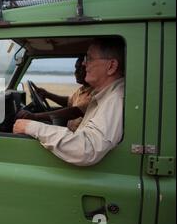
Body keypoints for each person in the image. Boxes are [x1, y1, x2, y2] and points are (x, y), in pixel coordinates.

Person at [13, 37, 125, 166]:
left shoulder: (115, 99)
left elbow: (87, 149)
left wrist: (31, 126)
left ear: (111, 66)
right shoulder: (102, 94)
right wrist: (47, 95)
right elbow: (70, 102)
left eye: (89, 58)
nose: (84, 64)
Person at [16, 56, 93, 132]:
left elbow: (74, 112)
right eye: (76, 68)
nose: (76, 72)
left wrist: (34, 116)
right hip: (69, 131)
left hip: (75, 136)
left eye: (81, 68)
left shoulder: (93, 93)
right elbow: (68, 101)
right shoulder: (82, 89)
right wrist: (47, 94)